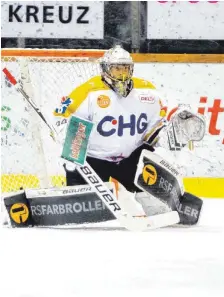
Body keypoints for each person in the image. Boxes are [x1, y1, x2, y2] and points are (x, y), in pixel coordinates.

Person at [52, 45, 206, 225]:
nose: (122, 74)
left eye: (125, 68)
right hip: (93, 160)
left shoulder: (148, 92)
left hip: (131, 159)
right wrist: (65, 133)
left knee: (159, 210)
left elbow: (155, 132)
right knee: (80, 214)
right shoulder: (88, 92)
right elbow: (61, 115)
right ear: (105, 69)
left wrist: (171, 135)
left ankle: (165, 202)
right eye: (117, 68)